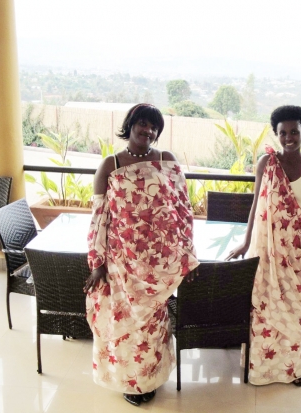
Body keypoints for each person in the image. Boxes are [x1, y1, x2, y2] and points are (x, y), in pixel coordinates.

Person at [84, 103, 199, 407]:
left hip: (158, 264)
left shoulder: (166, 160)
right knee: (126, 324)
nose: (147, 131)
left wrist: (187, 253)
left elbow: (183, 210)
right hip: (122, 262)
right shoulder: (110, 164)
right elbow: (99, 216)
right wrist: (97, 264)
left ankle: (150, 378)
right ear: (130, 125)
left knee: (152, 325)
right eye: (142, 124)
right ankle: (129, 382)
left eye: (153, 127)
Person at [226, 105, 301, 386]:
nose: (289, 137)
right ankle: (262, 370)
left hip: (299, 255)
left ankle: (293, 369)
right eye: (282, 132)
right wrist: (246, 242)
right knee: (265, 308)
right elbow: (255, 207)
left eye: (294, 131)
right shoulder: (265, 164)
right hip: (266, 253)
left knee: (294, 311)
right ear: (276, 134)